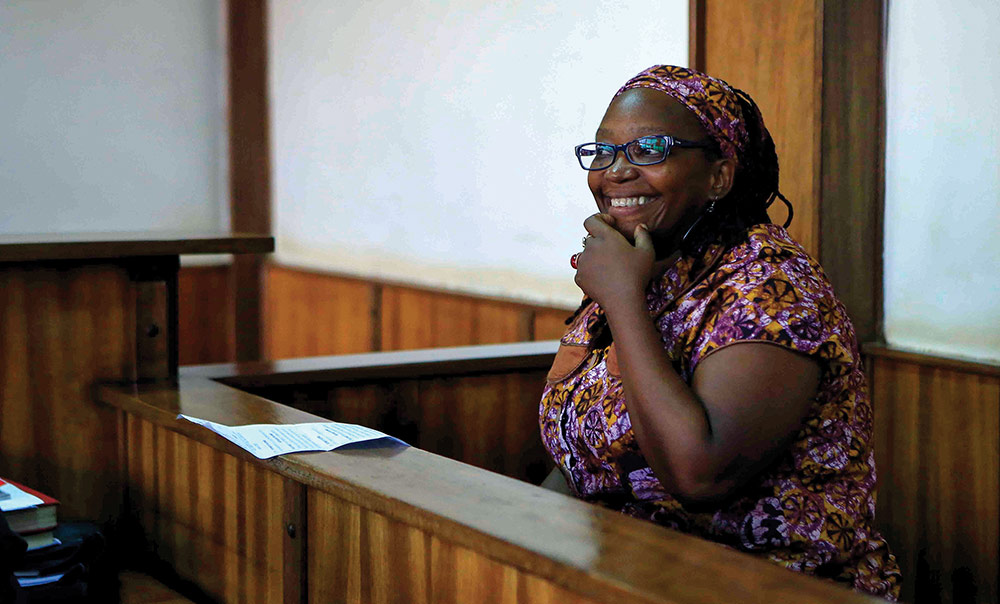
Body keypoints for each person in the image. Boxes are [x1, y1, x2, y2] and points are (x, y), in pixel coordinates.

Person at [538, 65, 901, 600]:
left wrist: (621, 300)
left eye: (650, 150)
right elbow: (582, 458)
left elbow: (699, 476)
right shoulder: (650, 265)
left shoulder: (774, 287)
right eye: (604, 152)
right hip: (632, 575)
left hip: (778, 589)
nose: (615, 172)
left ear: (719, 177)